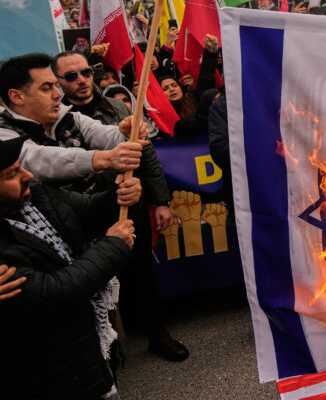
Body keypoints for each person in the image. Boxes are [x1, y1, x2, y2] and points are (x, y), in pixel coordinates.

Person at [52, 51, 186, 361]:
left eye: (86, 72)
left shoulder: (116, 107)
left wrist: (161, 201)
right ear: (58, 83)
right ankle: (106, 349)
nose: (82, 80)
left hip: (128, 205)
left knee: (140, 274)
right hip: (82, 216)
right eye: (71, 76)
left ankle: (157, 334)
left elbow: (146, 154)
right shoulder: (55, 118)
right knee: (92, 280)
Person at [0, 135, 141, 399]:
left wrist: (119, 195)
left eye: (21, 167)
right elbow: (52, 292)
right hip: (47, 375)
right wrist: (113, 246)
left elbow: (87, 211)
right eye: (11, 174)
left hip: (88, 354)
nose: (27, 175)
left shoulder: (37, 196)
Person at [0, 53, 145, 190]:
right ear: (17, 97)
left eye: (55, 86)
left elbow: (99, 132)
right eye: (46, 88)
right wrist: (101, 159)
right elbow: (38, 159)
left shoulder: (69, 117)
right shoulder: (5, 134)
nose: (57, 94)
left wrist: (125, 133)